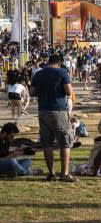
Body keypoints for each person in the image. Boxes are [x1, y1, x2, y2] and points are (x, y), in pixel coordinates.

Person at [30, 54, 77, 182]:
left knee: (47, 144)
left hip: (43, 111)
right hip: (59, 111)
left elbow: (32, 92)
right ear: (59, 63)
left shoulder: (38, 74)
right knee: (65, 143)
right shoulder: (62, 72)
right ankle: (65, 174)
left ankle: (51, 174)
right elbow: (68, 92)